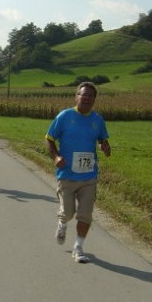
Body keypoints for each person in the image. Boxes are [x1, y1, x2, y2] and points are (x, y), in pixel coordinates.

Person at [45, 82, 111, 263]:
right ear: (77, 97)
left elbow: (102, 139)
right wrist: (56, 157)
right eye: (84, 95)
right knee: (67, 213)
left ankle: (78, 247)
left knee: (86, 214)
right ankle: (62, 222)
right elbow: (49, 138)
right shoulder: (65, 116)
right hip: (67, 174)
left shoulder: (97, 120)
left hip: (89, 176)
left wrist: (105, 146)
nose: (87, 98)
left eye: (91, 96)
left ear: (94, 100)